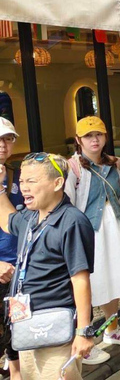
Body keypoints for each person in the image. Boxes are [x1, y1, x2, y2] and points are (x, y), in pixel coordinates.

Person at [0, 154, 95, 380]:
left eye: (31, 181)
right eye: (22, 181)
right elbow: (7, 222)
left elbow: (80, 280)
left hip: (57, 326)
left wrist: (83, 331)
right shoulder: (30, 216)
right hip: (27, 322)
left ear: (57, 183)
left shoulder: (72, 221)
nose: (24, 187)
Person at [64, 117, 120, 365]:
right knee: (86, 283)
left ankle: (111, 329)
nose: (94, 140)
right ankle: (83, 341)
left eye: (98, 134)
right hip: (88, 232)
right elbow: (66, 205)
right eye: (88, 136)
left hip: (116, 227)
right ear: (78, 140)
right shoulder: (72, 168)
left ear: (106, 137)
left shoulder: (118, 165)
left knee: (114, 278)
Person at [0, 118, 21, 380]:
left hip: (19, 269)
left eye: (8, 139)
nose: (3, 145)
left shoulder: (19, 175)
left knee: (17, 330)